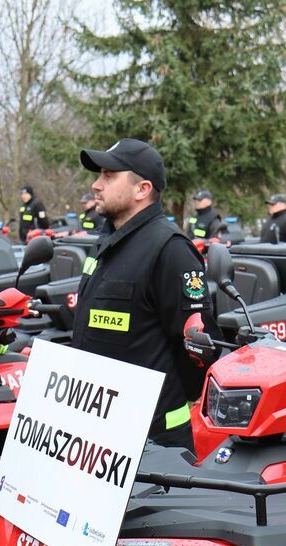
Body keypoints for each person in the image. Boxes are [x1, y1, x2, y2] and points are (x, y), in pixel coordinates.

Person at [73, 138, 220, 449]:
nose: (96, 185)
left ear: (142, 189)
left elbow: (196, 350)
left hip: (153, 440)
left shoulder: (170, 249)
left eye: (109, 176)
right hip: (100, 427)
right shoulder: (104, 242)